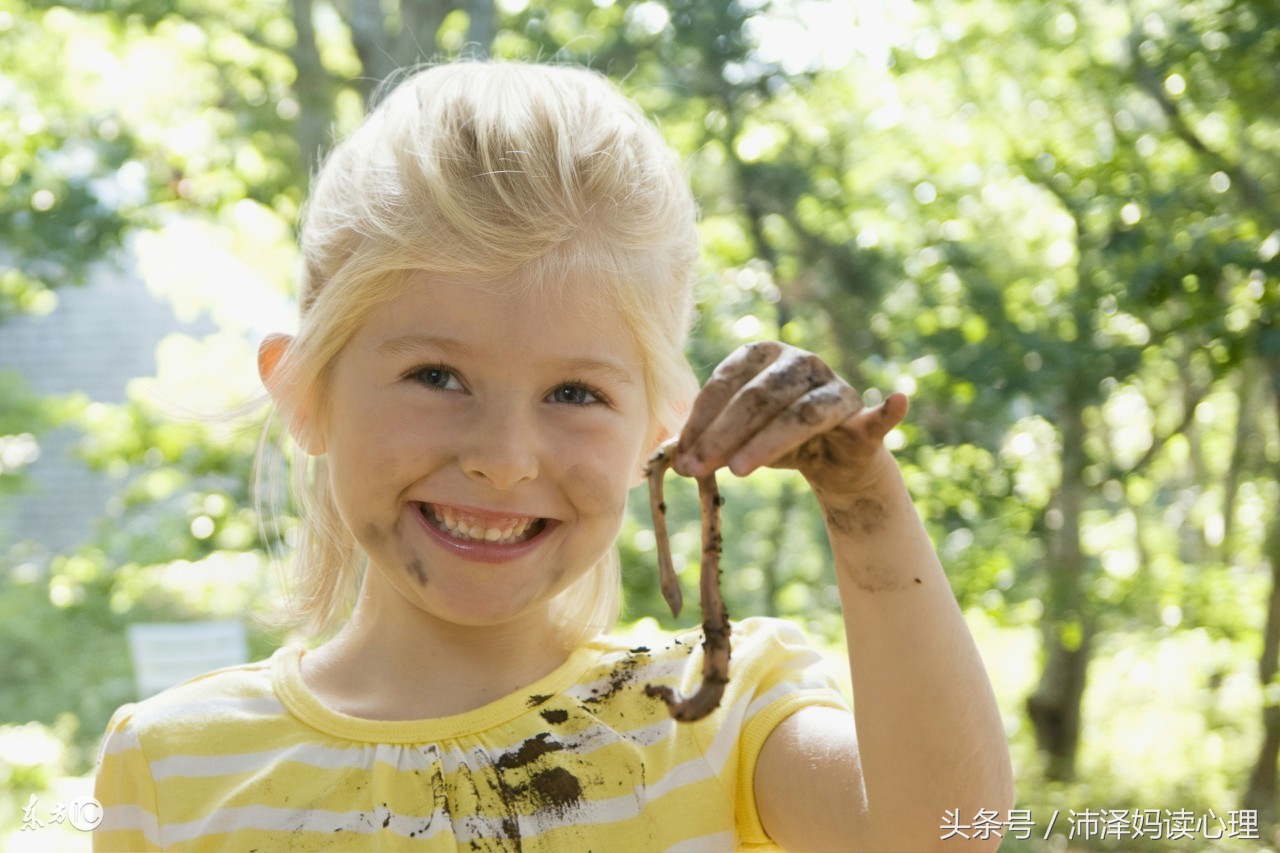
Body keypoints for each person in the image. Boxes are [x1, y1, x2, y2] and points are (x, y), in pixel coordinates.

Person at [93, 60, 1013, 852]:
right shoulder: (174, 767)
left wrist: (864, 503)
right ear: (305, 391)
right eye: (435, 375)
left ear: (662, 428)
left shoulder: (712, 714)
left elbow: (942, 832)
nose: (503, 459)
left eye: (575, 393)